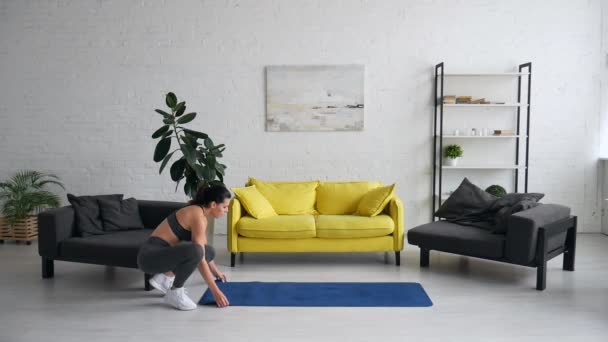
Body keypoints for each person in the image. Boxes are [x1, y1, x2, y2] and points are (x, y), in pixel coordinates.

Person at [137, 185, 231, 310]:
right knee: (196, 251)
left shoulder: (201, 215)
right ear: (213, 204)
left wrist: (216, 272)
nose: (226, 210)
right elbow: (200, 257)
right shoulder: (197, 215)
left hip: (161, 254)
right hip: (149, 257)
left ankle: (164, 278)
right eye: (224, 207)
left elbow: (204, 250)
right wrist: (215, 291)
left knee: (209, 251)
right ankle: (175, 291)